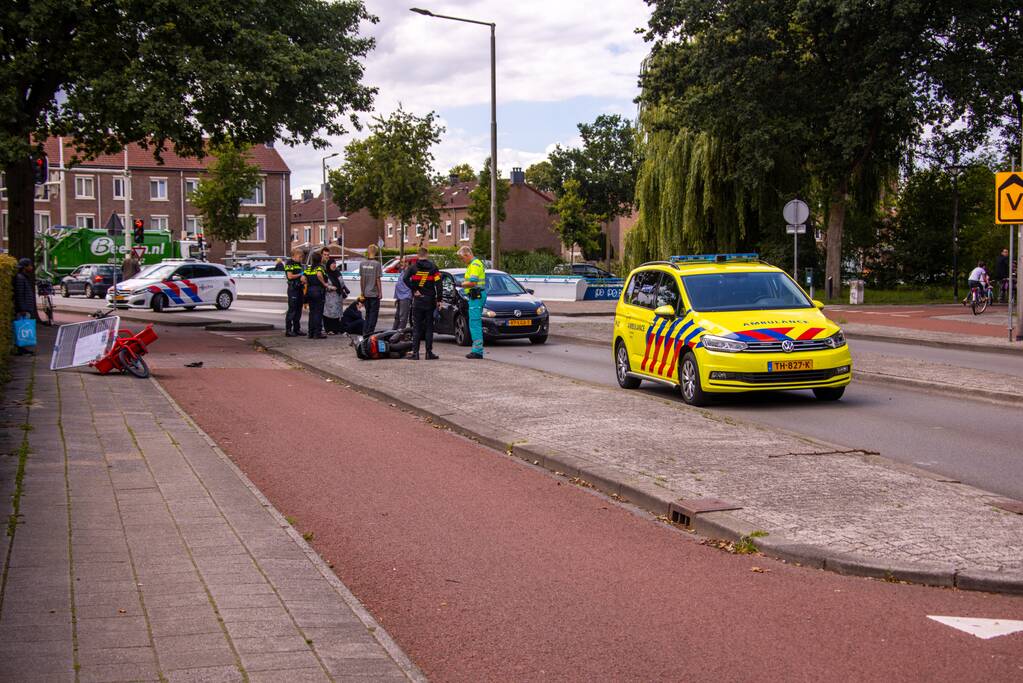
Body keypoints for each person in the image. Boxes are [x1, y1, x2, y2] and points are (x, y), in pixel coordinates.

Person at [402, 247, 442, 360]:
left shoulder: (413, 267)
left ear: (418, 255)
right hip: (430, 300)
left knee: (417, 327)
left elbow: (405, 278)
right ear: (427, 255)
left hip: (418, 301)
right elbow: (439, 284)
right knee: (429, 327)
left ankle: (415, 353)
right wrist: (439, 299)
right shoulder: (434, 268)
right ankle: (429, 353)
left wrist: (414, 290)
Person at [458, 246, 487, 359]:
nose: (462, 260)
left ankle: (477, 351)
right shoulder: (473, 264)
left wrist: (461, 284)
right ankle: (477, 349)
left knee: (475, 323)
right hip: (476, 296)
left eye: (462, 258)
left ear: (467, 254)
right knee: (474, 323)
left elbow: (472, 283)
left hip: (476, 295)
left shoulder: (474, 265)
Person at [13, 258, 38, 355]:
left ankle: (22, 348)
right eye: (30, 265)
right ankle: (20, 349)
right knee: (22, 328)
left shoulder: (23, 277)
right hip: (23, 309)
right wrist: (22, 308)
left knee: (24, 328)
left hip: (26, 308)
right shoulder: (20, 278)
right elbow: (19, 294)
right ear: (24, 267)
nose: (31, 267)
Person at [322, 249, 348, 334]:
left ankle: (335, 329)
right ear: (329, 265)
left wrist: (344, 289)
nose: (333, 265)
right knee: (328, 314)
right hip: (329, 297)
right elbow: (323, 285)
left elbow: (342, 283)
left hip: (338, 297)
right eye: (332, 263)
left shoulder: (337, 273)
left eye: (335, 264)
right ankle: (328, 329)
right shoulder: (326, 274)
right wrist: (330, 288)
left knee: (337, 313)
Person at [303, 252, 329, 339]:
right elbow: (319, 275)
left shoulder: (309, 269)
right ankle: (317, 333)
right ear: (320, 259)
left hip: (310, 291)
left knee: (312, 313)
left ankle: (310, 332)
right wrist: (324, 284)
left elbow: (303, 278)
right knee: (318, 313)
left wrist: (308, 282)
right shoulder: (320, 268)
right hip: (318, 291)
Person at [359, 244, 383, 336]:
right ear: (376, 252)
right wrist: (380, 292)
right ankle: (370, 332)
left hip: (365, 293)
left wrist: (362, 291)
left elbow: (361, 279)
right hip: (374, 293)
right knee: (373, 314)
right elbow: (378, 279)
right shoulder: (377, 264)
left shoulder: (362, 264)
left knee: (367, 314)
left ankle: (365, 331)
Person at [284, 248, 305, 337]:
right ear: (294, 255)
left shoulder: (299, 264)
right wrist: (301, 275)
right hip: (293, 289)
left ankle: (297, 329)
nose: (301, 258)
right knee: (292, 309)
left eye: (302, 257)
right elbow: (290, 276)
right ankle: (288, 330)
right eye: (299, 256)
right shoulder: (289, 263)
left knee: (298, 310)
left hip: (300, 288)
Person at [392, 258, 413, 330]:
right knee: (397, 316)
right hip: (400, 297)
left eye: (402, 262)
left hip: (405, 297)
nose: (401, 264)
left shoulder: (409, 273)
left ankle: (399, 335)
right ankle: (393, 333)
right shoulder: (403, 271)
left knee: (403, 317)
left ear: (407, 263)